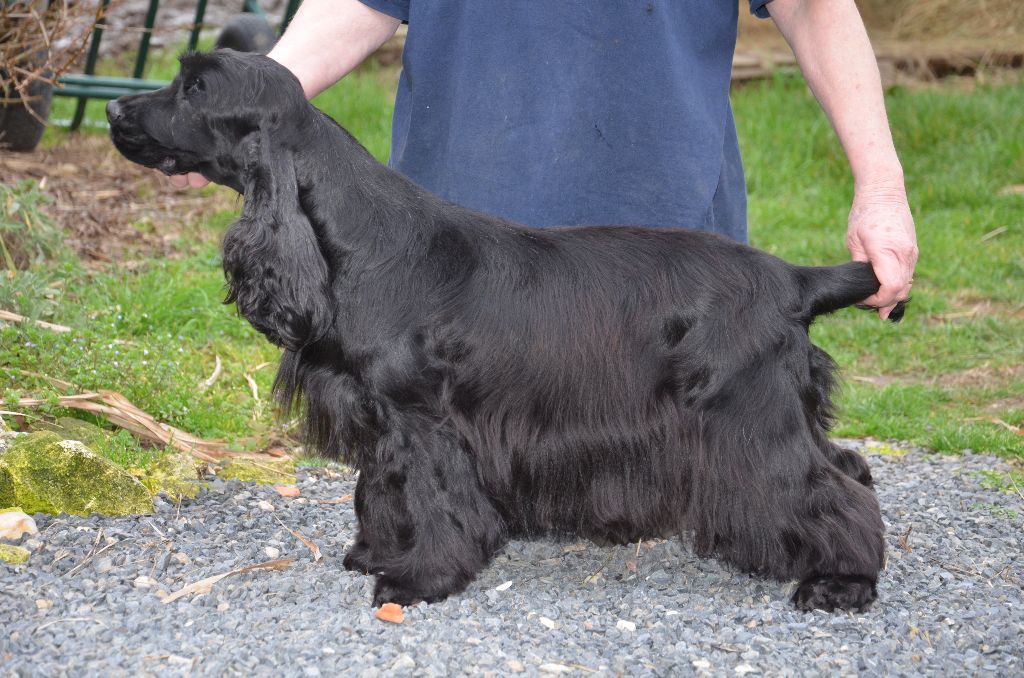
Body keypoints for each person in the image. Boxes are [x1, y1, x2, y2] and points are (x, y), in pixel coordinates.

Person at [171, 0, 916, 319]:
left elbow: (815, 8)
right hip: (459, 264)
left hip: (664, 261)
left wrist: (881, 189)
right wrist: (240, 110)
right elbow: (356, 4)